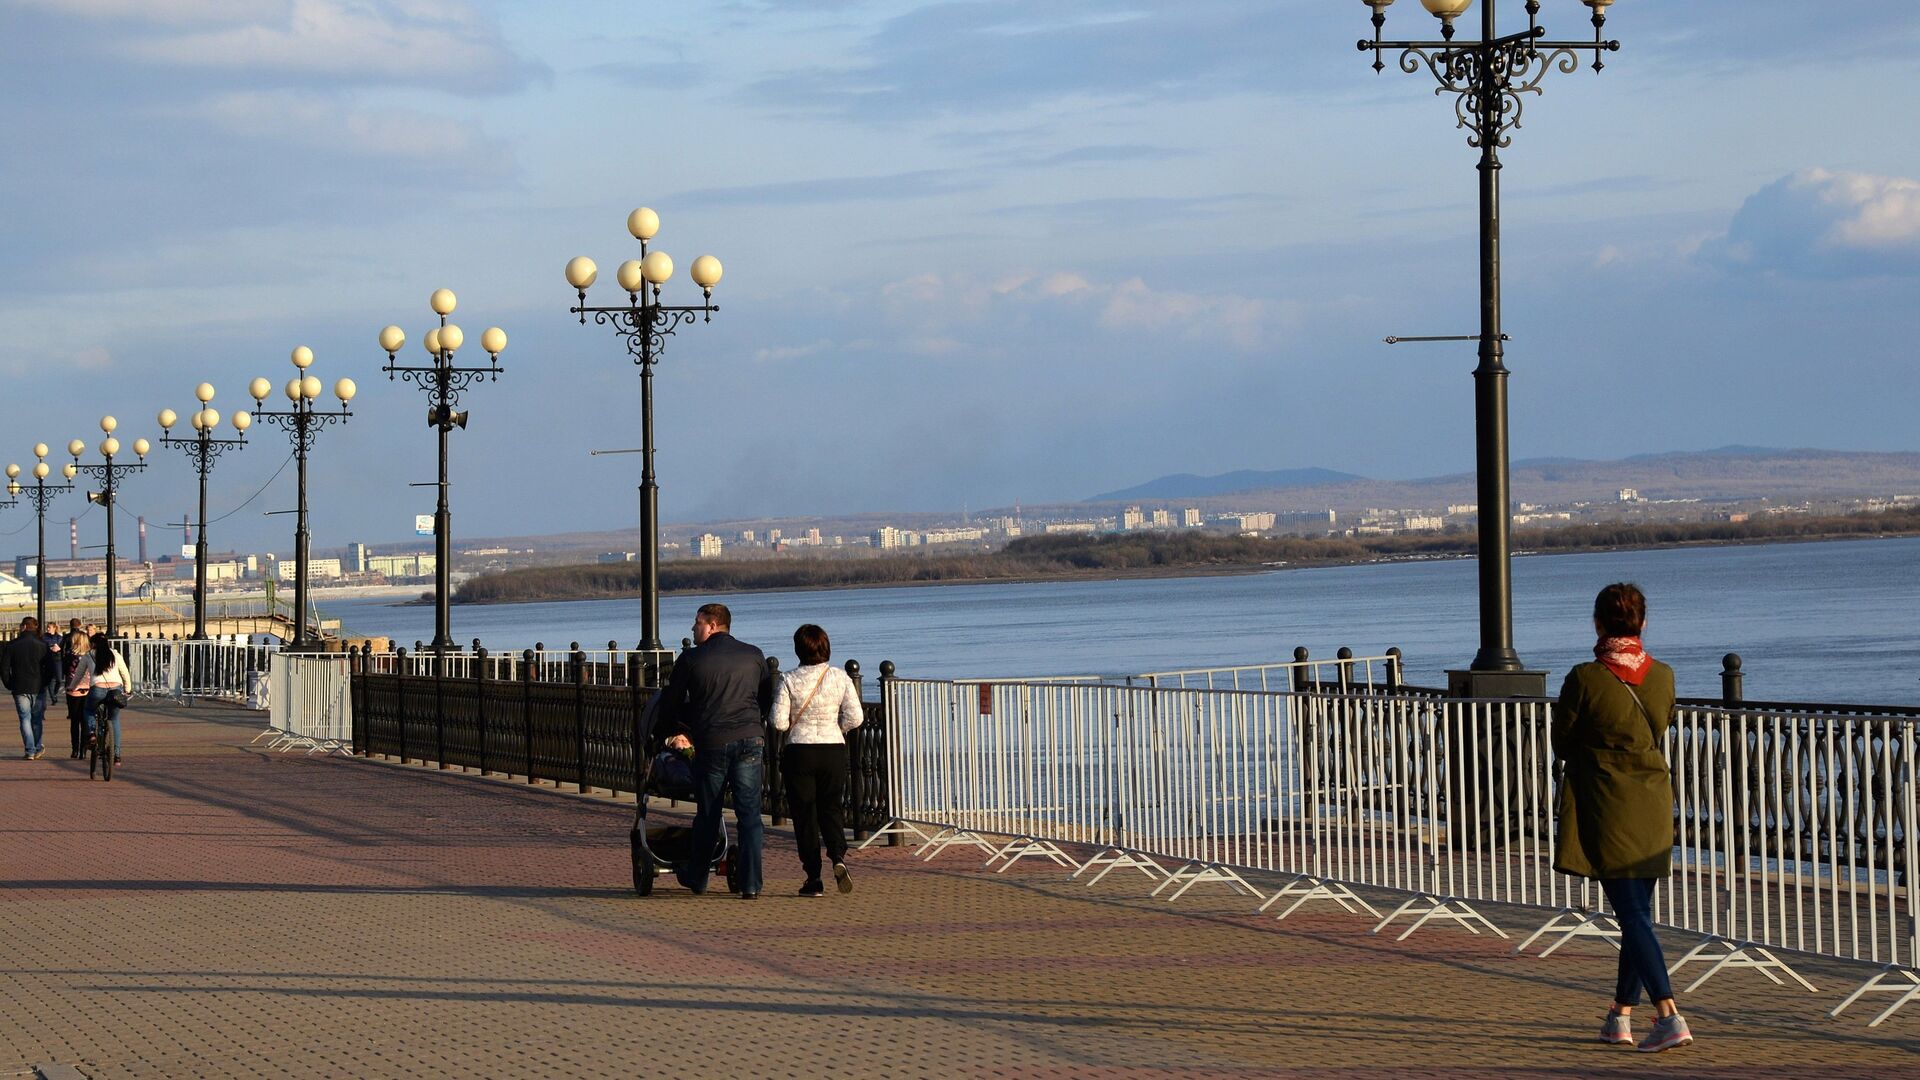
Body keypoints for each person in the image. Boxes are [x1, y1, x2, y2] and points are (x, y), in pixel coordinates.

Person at [1552, 583, 1692, 1053]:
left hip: (1608, 805)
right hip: (1652, 802)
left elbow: (1563, 742)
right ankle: (1620, 1016)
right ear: (1643, 623)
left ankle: (1669, 1015)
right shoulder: (1664, 676)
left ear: (1597, 623)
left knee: (1631, 914)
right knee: (1638, 915)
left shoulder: (1584, 678)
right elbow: (1661, 723)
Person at [659, 603, 771, 899]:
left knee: (709, 811)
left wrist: (675, 729)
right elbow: (766, 698)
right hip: (750, 739)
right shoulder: (753, 655)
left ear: (711, 625)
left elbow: (670, 703)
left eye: (696, 623)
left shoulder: (692, 659)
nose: (692, 628)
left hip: (712, 742)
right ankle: (750, 884)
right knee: (750, 815)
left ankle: (698, 877)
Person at [770, 624, 863, 897]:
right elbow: (856, 717)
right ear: (826, 647)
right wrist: (838, 728)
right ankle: (838, 857)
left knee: (805, 815)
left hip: (800, 751)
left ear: (798, 649)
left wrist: (793, 725)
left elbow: (777, 721)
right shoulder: (840, 677)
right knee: (831, 807)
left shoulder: (788, 680)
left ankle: (813, 877)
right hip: (832, 749)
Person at [71, 633, 132, 767]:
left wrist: (72, 687)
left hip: (97, 689)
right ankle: (117, 755)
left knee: (88, 710)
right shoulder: (115, 654)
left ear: (93, 644)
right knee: (114, 720)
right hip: (115, 690)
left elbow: (79, 674)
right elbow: (125, 672)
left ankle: (92, 733)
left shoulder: (89, 655)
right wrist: (128, 689)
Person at [3, 617, 57, 760]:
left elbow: (4, 668)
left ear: (24, 627)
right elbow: (51, 668)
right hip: (38, 686)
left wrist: (9, 683)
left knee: (24, 719)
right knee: (36, 719)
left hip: (19, 686)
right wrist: (45, 682)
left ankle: (30, 750)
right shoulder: (43, 645)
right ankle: (37, 746)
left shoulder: (12, 645)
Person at [62, 627, 91, 758]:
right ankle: (83, 750)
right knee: (85, 721)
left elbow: (65, 671)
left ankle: (75, 749)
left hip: (73, 690)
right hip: (88, 689)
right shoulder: (90, 655)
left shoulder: (69, 655)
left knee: (74, 721)